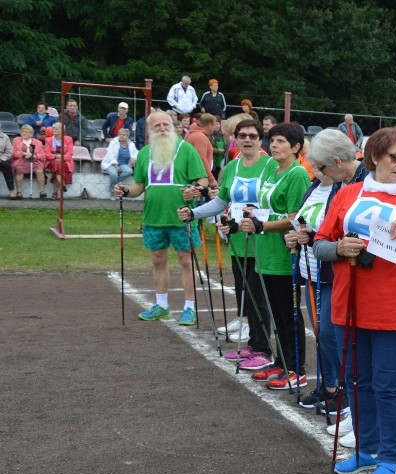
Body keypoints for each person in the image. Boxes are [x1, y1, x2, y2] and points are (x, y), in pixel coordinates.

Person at [314, 127, 396, 474]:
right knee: (357, 381)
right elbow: (320, 242)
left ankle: (391, 457)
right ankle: (366, 449)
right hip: (348, 301)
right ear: (375, 157)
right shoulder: (347, 193)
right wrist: (339, 249)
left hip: (394, 306)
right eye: (395, 157)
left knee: (388, 384)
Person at [285, 128, 368, 425]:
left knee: (336, 336)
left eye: (319, 167)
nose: (316, 172)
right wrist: (306, 236)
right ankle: (333, 387)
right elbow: (324, 227)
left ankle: (347, 396)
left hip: (342, 273)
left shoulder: (360, 181)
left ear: (333, 160)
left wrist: (328, 243)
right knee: (324, 333)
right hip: (317, 267)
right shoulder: (333, 183)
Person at [223, 123, 311, 386]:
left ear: (295, 147)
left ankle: (297, 369)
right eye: (273, 140)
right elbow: (261, 209)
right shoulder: (272, 171)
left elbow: (297, 218)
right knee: (275, 310)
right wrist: (239, 221)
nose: (274, 145)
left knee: (289, 314)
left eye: (281, 141)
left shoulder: (297, 174)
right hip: (265, 252)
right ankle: (281, 362)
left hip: (284, 253)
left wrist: (263, 226)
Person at [180, 118, 272, 353]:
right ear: (235, 139)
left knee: (258, 296)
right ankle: (253, 343)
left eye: (253, 136)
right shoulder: (231, 167)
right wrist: (194, 213)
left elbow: (275, 203)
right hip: (237, 239)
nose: (247, 140)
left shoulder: (271, 166)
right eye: (243, 136)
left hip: (262, 240)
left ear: (261, 139)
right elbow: (221, 202)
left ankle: (262, 347)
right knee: (245, 292)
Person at [113, 110, 208, 325]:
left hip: (181, 216)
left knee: (186, 260)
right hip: (153, 217)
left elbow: (202, 181)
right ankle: (161, 306)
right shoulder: (145, 153)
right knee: (157, 260)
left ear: (173, 125)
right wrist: (126, 191)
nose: (163, 128)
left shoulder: (186, 150)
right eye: (157, 126)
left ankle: (189, 308)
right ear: (149, 130)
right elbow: (138, 186)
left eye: (166, 124)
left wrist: (194, 190)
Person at [101, 128, 138, 199]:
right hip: (110, 163)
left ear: (128, 136)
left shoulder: (131, 144)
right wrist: (115, 165)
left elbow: (136, 153)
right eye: (120, 134)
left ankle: (114, 185)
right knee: (114, 174)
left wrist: (133, 158)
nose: (121, 136)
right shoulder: (113, 143)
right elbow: (110, 154)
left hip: (123, 164)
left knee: (129, 171)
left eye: (124, 135)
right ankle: (112, 190)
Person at [11, 124, 46, 199]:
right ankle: (19, 192)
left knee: (39, 171)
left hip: (34, 161)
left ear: (31, 134)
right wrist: (23, 153)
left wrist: (34, 156)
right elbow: (14, 153)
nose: (24, 133)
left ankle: (42, 191)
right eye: (23, 132)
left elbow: (42, 155)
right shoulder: (16, 140)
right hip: (21, 161)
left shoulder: (38, 142)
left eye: (26, 132)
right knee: (19, 169)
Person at [184, 113, 218, 185]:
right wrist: (211, 179)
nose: (215, 128)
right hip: (198, 178)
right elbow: (201, 159)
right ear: (209, 125)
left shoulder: (192, 132)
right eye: (214, 125)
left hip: (195, 176)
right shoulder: (200, 137)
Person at [44, 124, 74, 200]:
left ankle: (55, 192)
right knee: (56, 164)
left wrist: (61, 158)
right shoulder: (48, 140)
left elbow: (70, 153)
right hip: (52, 161)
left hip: (65, 161)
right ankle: (61, 183)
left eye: (56, 129)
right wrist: (56, 157)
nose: (54, 130)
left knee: (57, 167)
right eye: (53, 128)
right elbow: (47, 154)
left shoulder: (69, 139)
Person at [0, 130, 15, 196]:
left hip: (2, 158)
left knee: (7, 165)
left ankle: (11, 191)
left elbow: (9, 151)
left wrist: (1, 159)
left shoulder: (5, 137)